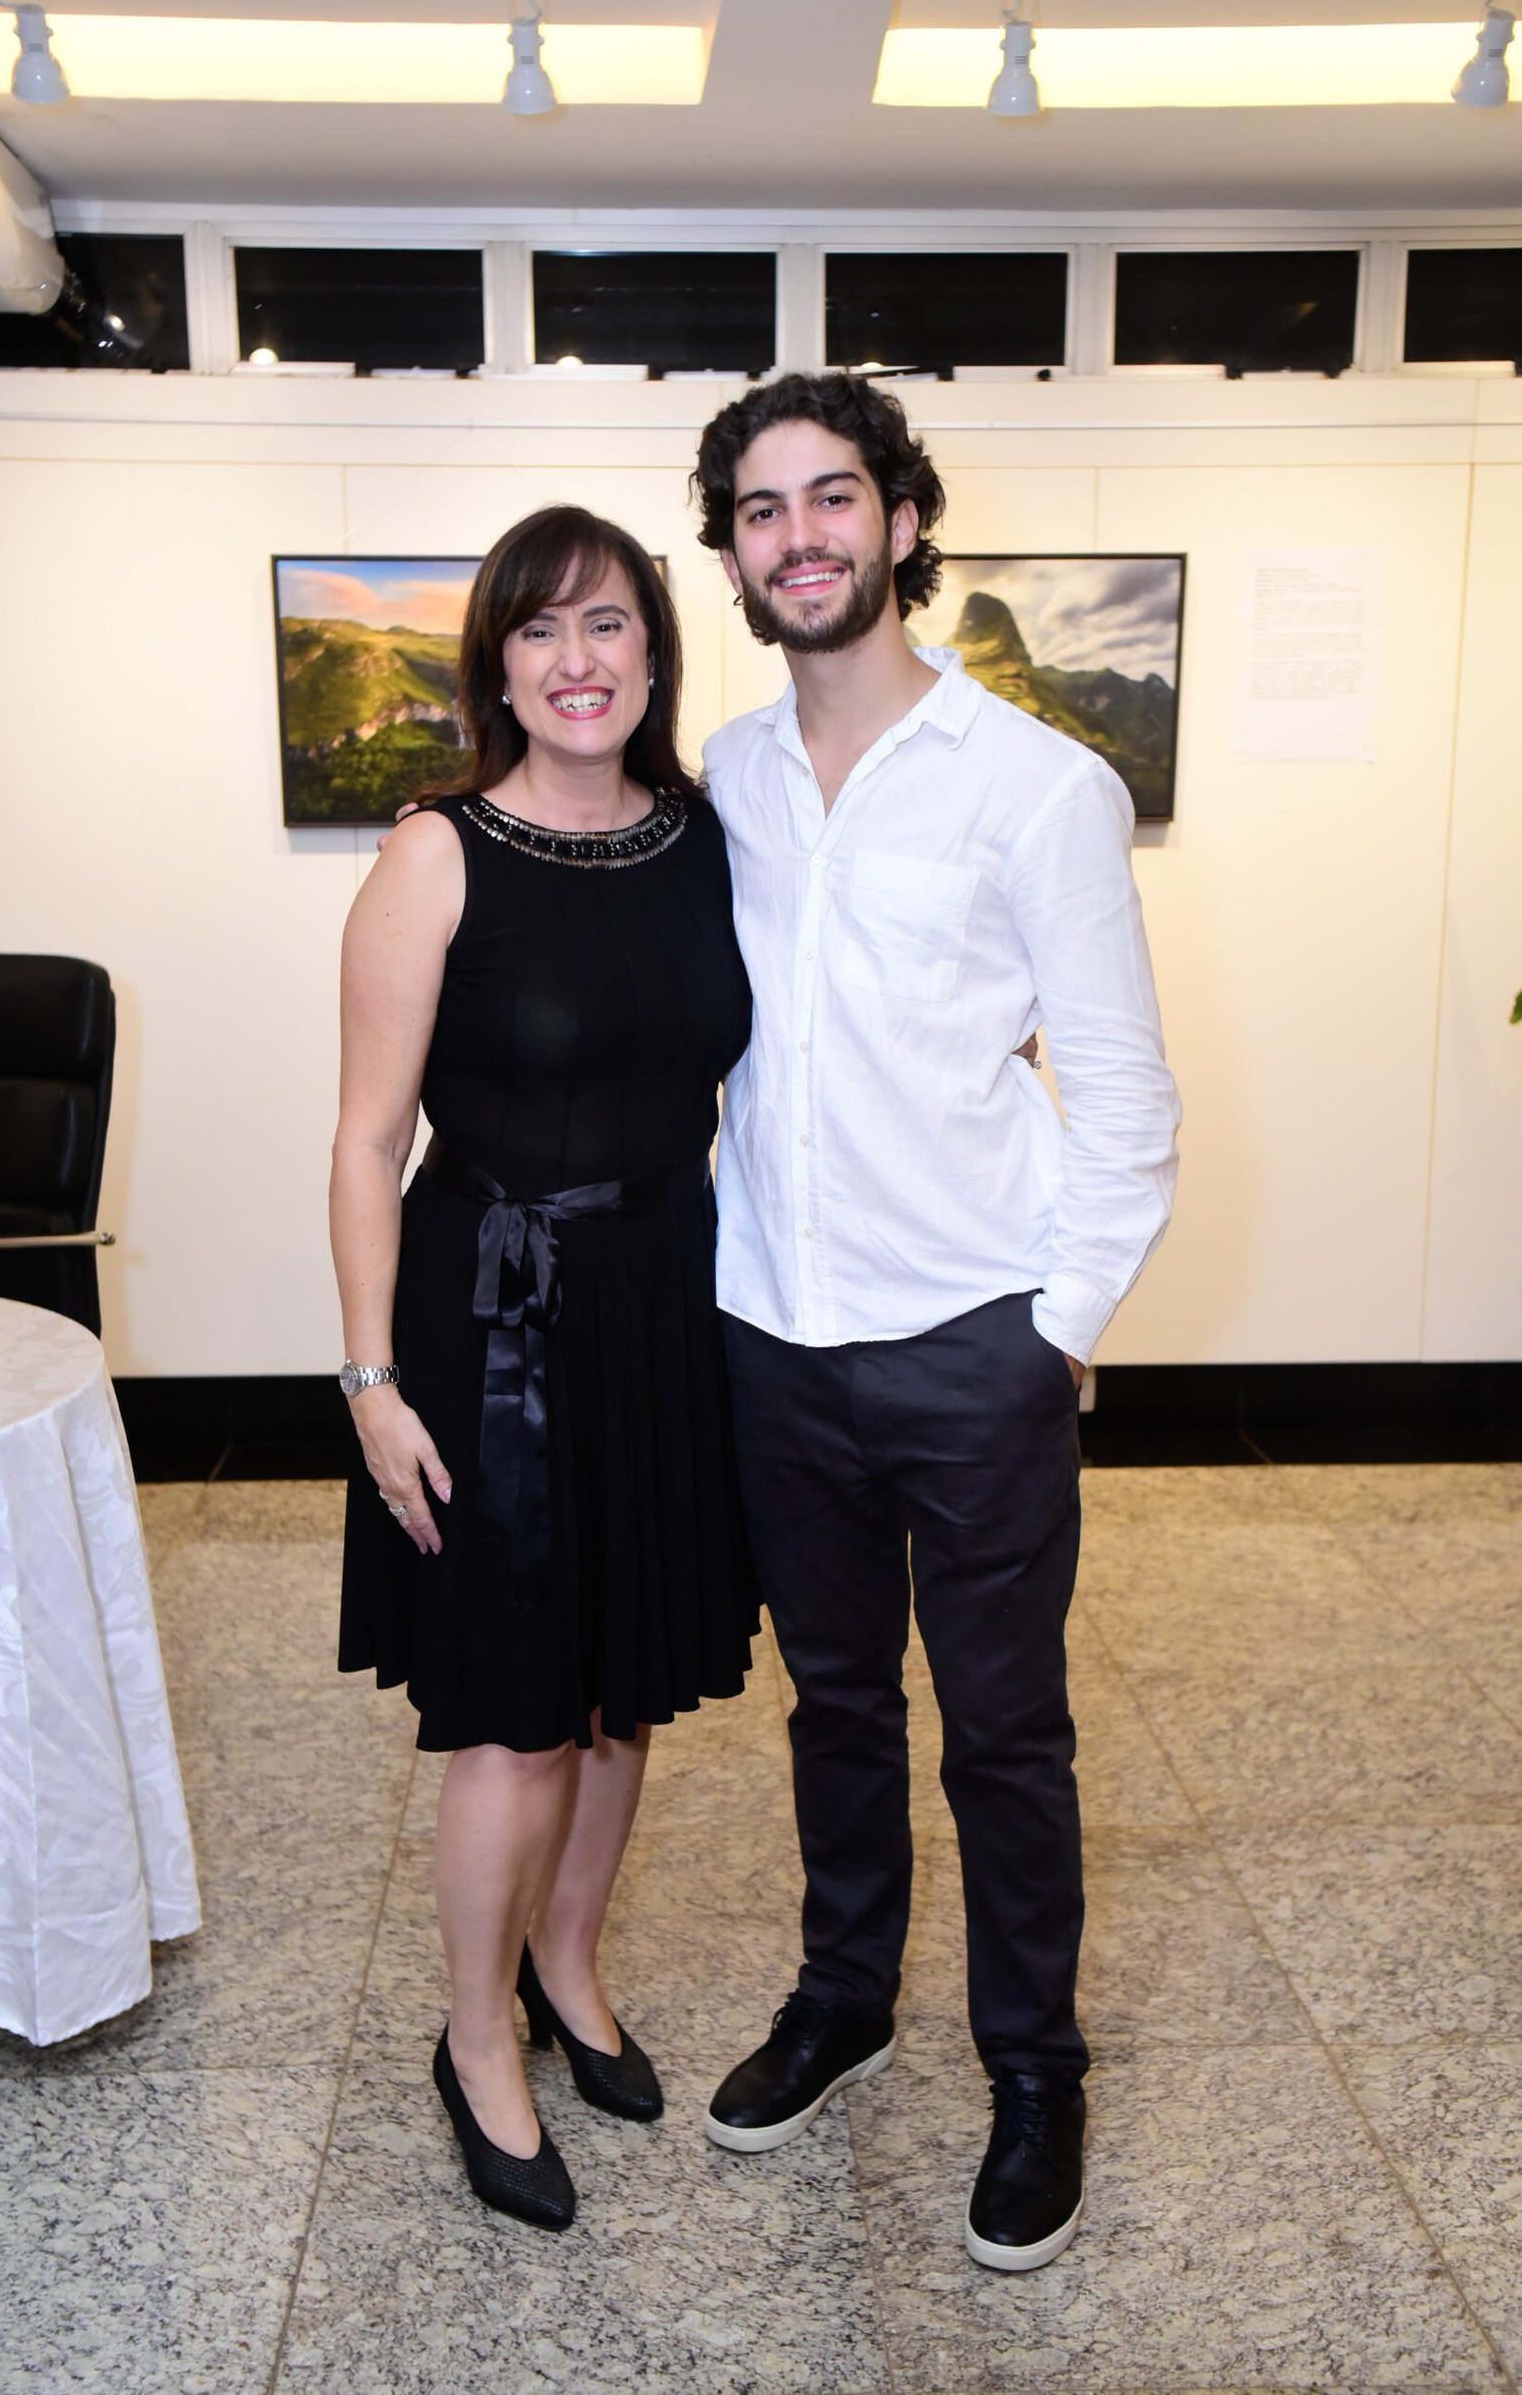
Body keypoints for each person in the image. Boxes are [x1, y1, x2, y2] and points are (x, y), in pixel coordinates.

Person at [690, 373, 1180, 2270]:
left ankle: (1036, 2066)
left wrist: (1055, 1327)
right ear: (730, 551)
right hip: (773, 1336)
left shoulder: (1039, 786)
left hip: (973, 1341)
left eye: (834, 499)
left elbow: (1124, 1088)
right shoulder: (720, 779)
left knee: (1005, 1732)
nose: (799, 535)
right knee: (831, 1705)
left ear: (902, 523)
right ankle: (846, 1994)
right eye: (759, 508)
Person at [329, 505, 758, 2232]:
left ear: (656, 650)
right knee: (512, 1717)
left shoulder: (708, 836)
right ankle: (476, 2035)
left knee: (620, 1686)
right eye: (541, 631)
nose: (577, 662)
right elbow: (364, 1143)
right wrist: (369, 1382)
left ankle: (571, 1967)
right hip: (490, 1312)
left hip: (665, 1302)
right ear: (496, 661)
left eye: (610, 627)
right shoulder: (437, 853)